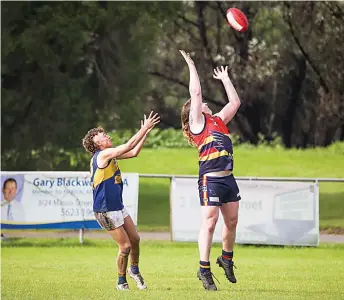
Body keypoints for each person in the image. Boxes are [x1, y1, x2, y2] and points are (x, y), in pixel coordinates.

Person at [179, 50, 242, 291]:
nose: (204, 103)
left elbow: (235, 103)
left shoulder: (217, 120)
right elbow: (195, 92)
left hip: (228, 179)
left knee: (232, 221)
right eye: (200, 104)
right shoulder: (198, 124)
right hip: (210, 180)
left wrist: (225, 79)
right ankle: (203, 269)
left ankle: (226, 259)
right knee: (210, 223)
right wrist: (191, 65)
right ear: (193, 111)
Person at [82, 111, 160, 291]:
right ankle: (121, 282)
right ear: (97, 143)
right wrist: (144, 128)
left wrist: (145, 133)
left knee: (135, 239)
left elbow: (133, 152)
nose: (107, 135)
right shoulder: (102, 155)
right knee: (125, 246)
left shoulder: (110, 155)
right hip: (105, 210)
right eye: (103, 135)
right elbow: (127, 145)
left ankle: (134, 271)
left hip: (117, 206)